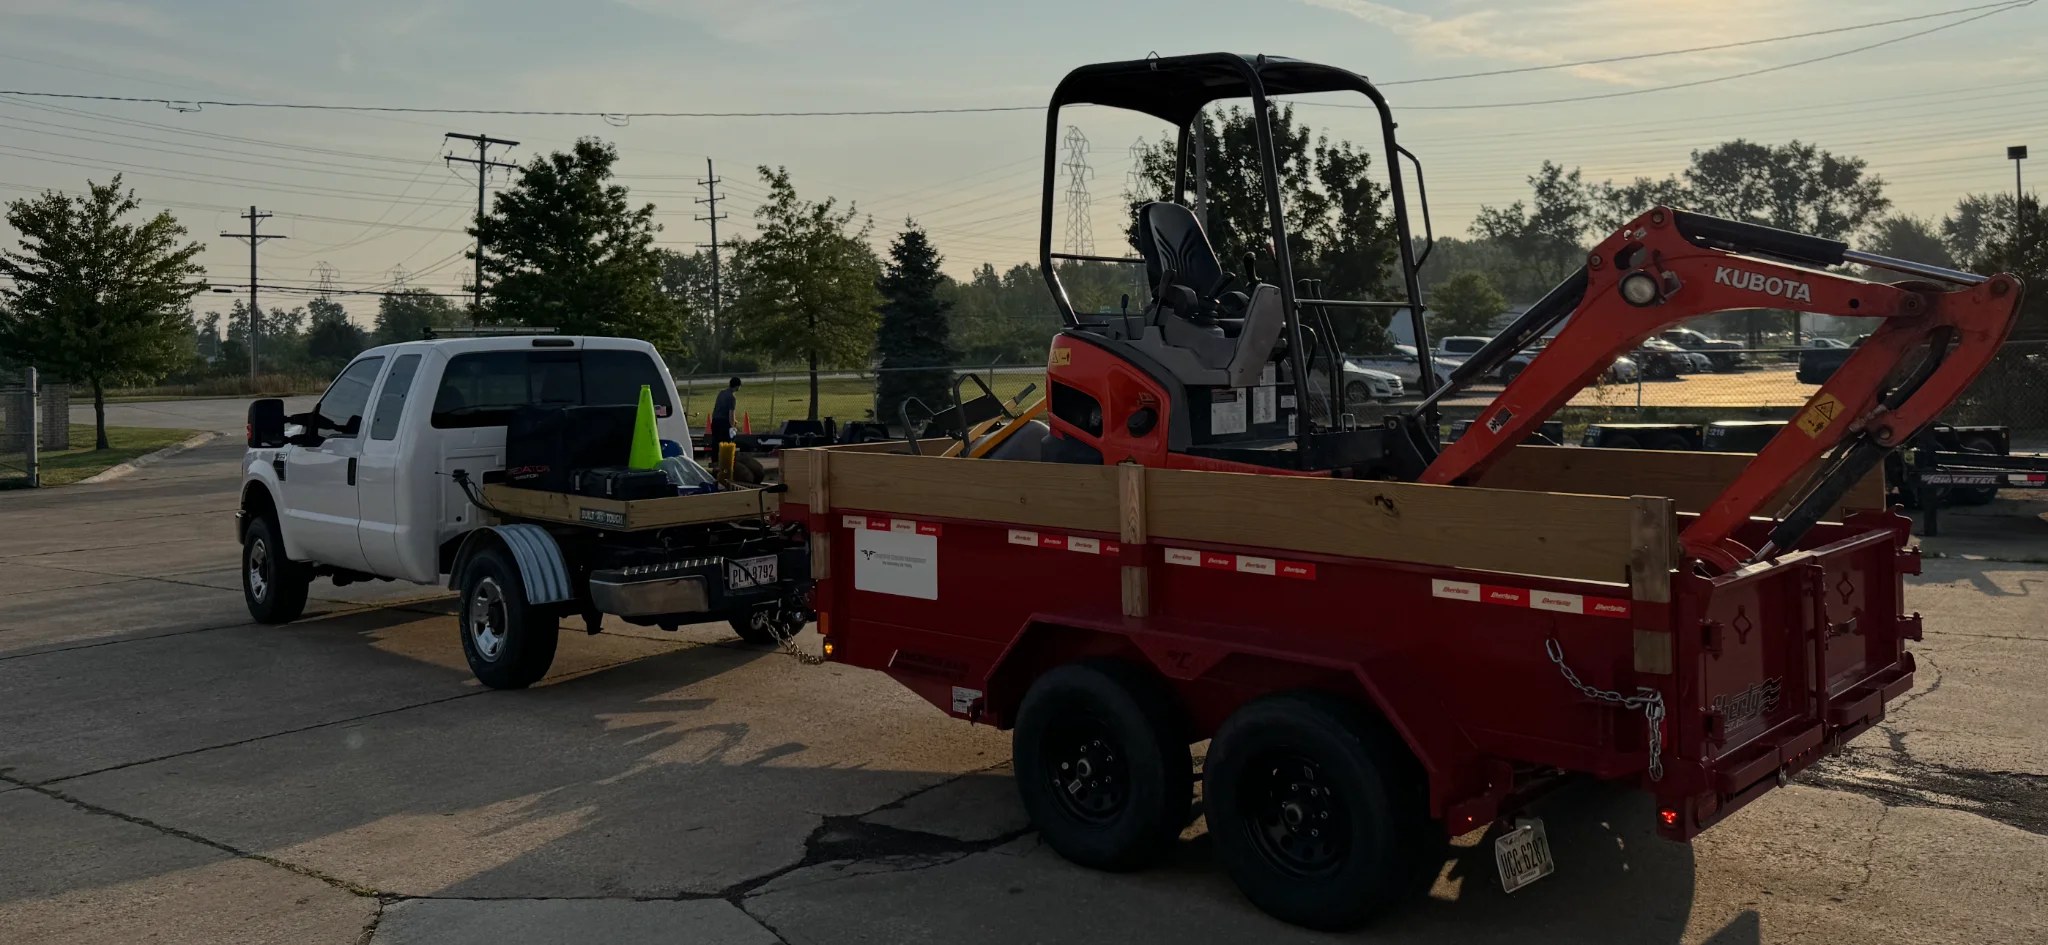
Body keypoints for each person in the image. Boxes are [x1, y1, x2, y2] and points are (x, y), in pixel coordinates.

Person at [709, 376, 741, 452]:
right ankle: (724, 459)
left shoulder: (721, 393)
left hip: (715, 421)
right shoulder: (732, 397)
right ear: (737, 386)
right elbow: (731, 414)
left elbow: (716, 408)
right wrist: (733, 426)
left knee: (715, 445)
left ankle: (714, 459)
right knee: (725, 446)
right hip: (724, 424)